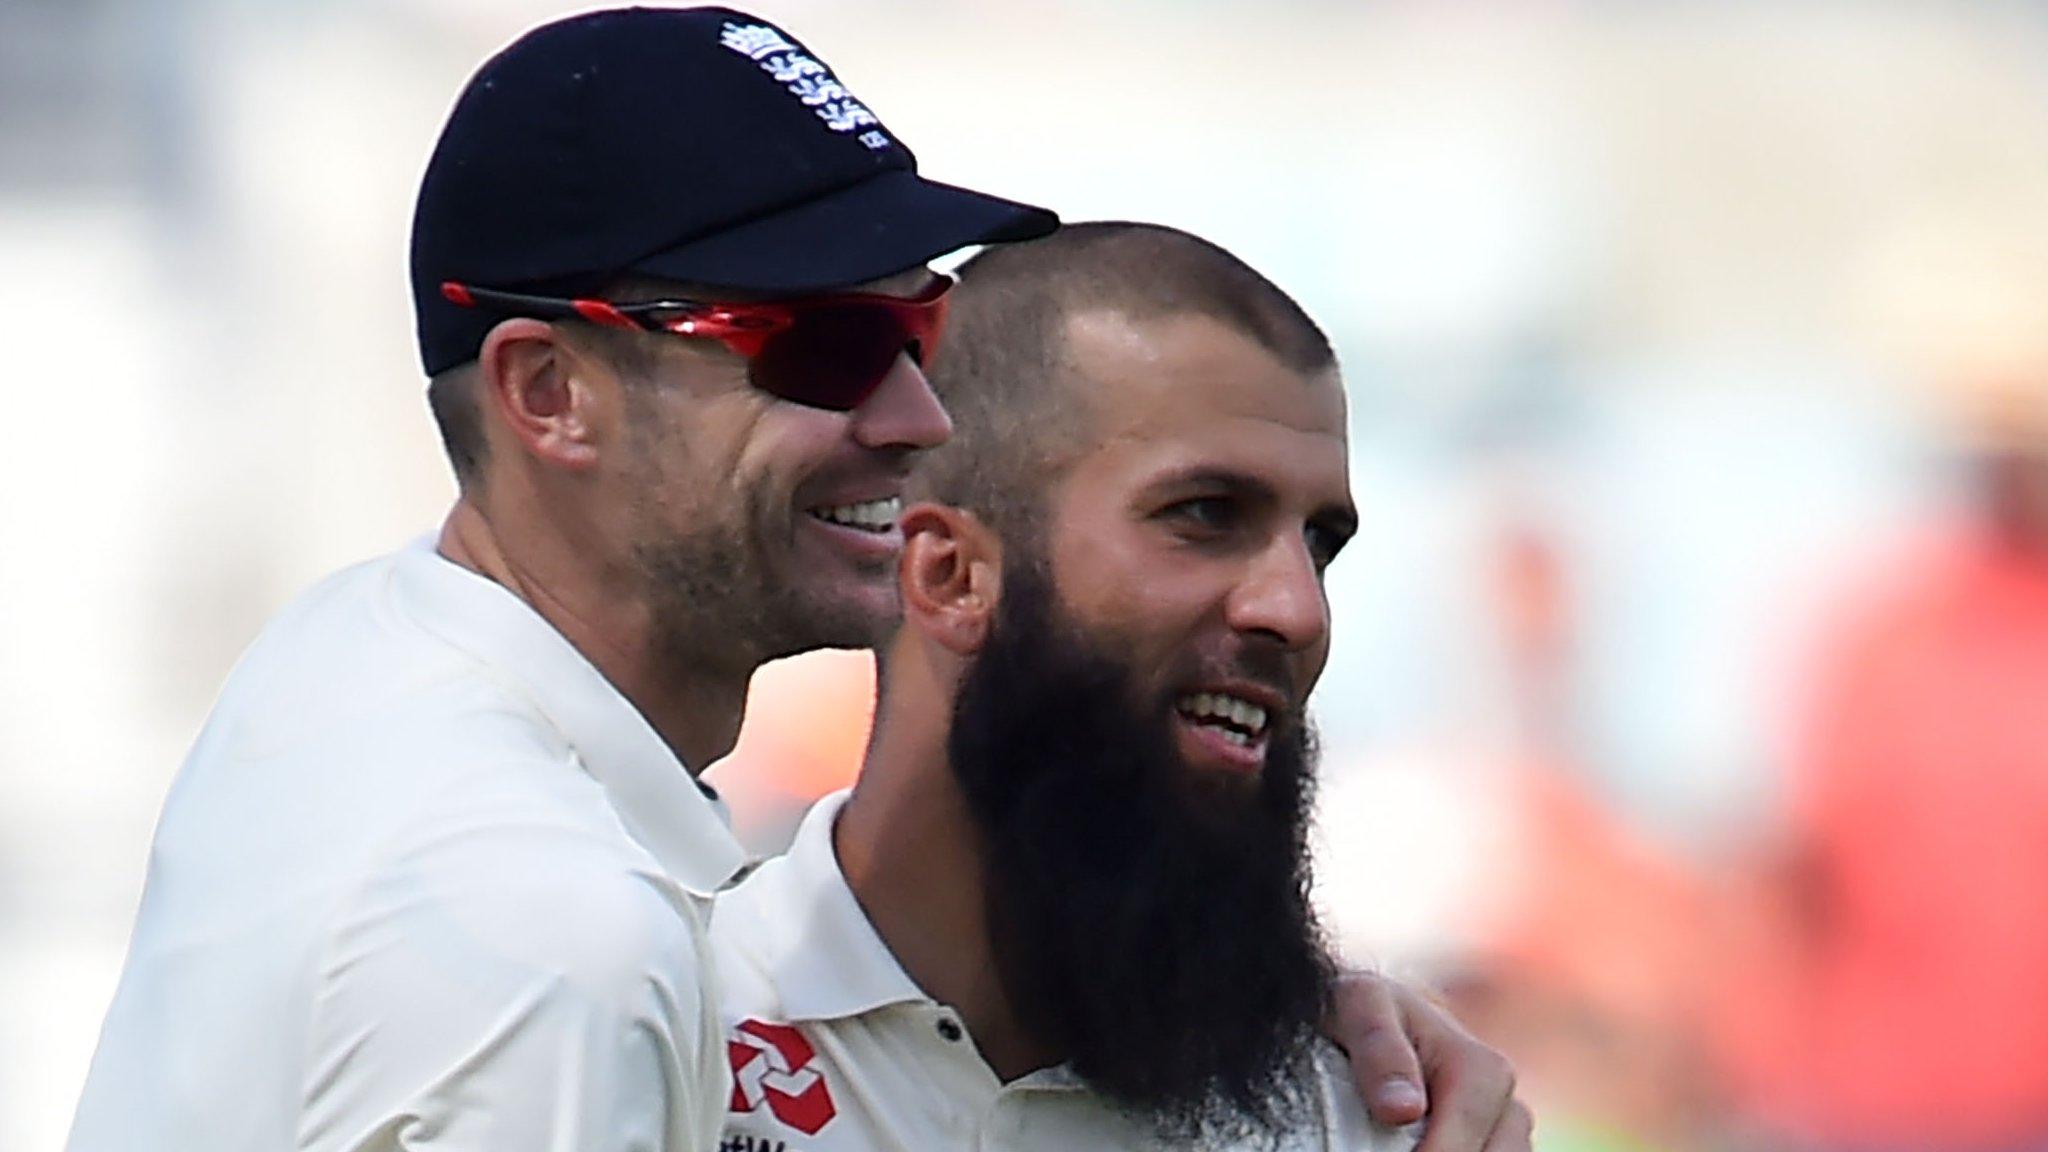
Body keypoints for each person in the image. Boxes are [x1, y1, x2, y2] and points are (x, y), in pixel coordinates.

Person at [68, 10, 1520, 1152]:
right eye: (815, 347)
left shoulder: (346, 677)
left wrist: (1267, 1014)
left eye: (920, 332)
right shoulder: (571, 940)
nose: (912, 418)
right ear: (550, 395)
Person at [713, 223, 1534, 1152]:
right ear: (950, 576)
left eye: (1320, 543)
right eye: (1206, 515)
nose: (1298, 612)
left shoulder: (1357, 1118)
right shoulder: (666, 1015)